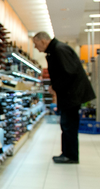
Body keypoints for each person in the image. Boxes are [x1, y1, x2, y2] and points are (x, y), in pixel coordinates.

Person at [32, 32, 96, 164]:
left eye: (36, 43)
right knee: (67, 125)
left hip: (72, 95)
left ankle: (71, 156)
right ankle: (67, 153)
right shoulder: (55, 50)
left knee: (69, 125)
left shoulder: (59, 49)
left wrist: (55, 86)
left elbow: (69, 72)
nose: (35, 47)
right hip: (69, 94)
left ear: (43, 41)